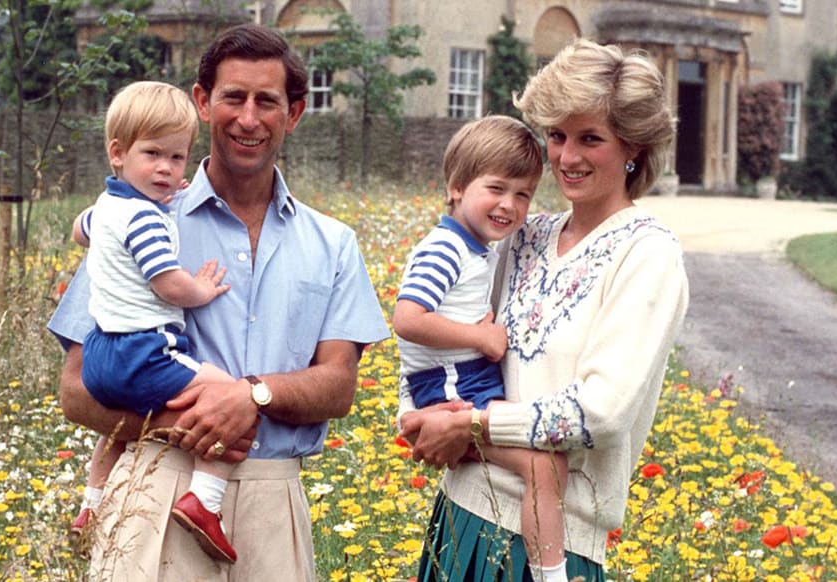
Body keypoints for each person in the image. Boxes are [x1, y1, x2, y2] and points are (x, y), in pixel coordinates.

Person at [48, 23, 390, 581]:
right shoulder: (141, 217)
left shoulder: (332, 243)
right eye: (233, 97)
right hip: (154, 487)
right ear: (203, 102)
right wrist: (180, 426)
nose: (248, 119)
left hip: (273, 503)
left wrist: (252, 395)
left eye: (267, 101)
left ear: (295, 113)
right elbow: (76, 388)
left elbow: (339, 385)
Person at [399, 38, 689, 582]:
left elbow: (601, 412)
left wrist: (474, 427)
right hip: (463, 511)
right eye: (556, 135)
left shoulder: (647, 253)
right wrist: (415, 410)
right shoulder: (523, 234)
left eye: (590, 138)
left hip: (557, 541)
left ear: (634, 148)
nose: (567, 157)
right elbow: (439, 328)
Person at [65, 80, 242, 563]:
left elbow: (79, 232)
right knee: (231, 398)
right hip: (145, 349)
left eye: (178, 158)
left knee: (116, 431)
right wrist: (201, 289)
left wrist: (153, 200)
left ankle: (91, 504)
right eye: (153, 155)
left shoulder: (105, 208)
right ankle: (204, 503)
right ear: (117, 153)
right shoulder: (143, 219)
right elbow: (167, 282)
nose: (165, 169)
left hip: (101, 351)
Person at [392, 115, 571, 582]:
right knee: (545, 467)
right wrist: (481, 336)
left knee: (540, 463)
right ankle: (552, 575)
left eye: (523, 194)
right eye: (497, 188)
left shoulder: (476, 248)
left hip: (460, 381)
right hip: (450, 387)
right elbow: (407, 319)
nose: (509, 205)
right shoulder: (445, 249)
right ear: (455, 187)